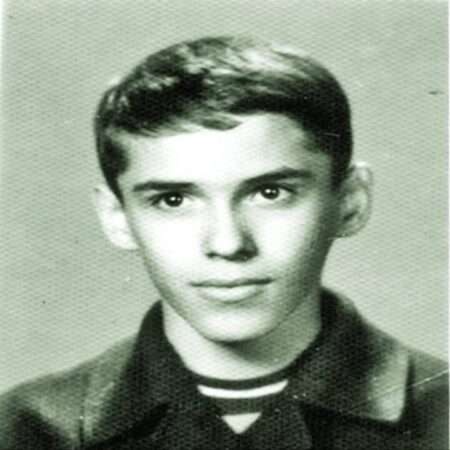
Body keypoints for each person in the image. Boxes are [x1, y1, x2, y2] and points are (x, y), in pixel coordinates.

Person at [0, 36, 447, 450]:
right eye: (173, 200)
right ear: (118, 218)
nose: (228, 243)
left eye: (270, 193)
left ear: (350, 202)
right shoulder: (28, 428)